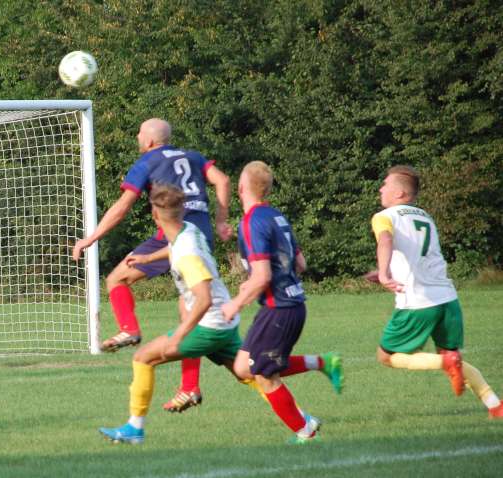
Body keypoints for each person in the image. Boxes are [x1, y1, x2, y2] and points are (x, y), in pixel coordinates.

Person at [72, 118, 232, 412]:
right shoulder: (193, 157)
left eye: (139, 134)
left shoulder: (147, 162)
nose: (136, 137)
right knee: (189, 309)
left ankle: (129, 330)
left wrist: (91, 238)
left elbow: (122, 207)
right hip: (201, 237)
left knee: (117, 279)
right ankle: (190, 388)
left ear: (148, 141)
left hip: (172, 236)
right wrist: (221, 220)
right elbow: (222, 180)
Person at [98, 184, 252, 444]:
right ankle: (305, 416)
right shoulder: (188, 230)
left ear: (154, 215)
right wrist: (147, 260)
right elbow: (174, 247)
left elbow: (202, 299)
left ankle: (135, 429)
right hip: (224, 321)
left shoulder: (186, 254)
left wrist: (181, 331)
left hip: (208, 324)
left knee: (143, 358)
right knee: (248, 372)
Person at [365, 165, 503, 419]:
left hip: (417, 302)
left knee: (386, 356)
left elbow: (384, 240)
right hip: (447, 299)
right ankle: (495, 404)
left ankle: (447, 364)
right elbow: (419, 256)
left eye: (385, 184)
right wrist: (387, 270)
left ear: (399, 194)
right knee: (451, 355)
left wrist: (384, 273)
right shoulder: (424, 216)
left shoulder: (384, 216)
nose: (381, 188)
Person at [221, 161, 342, 444]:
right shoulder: (277, 217)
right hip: (292, 304)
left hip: (279, 309)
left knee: (264, 375)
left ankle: (305, 430)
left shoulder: (251, 222)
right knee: (242, 367)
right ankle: (323, 363)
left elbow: (262, 275)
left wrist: (236, 302)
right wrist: (256, 280)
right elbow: (301, 263)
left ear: (240, 188)